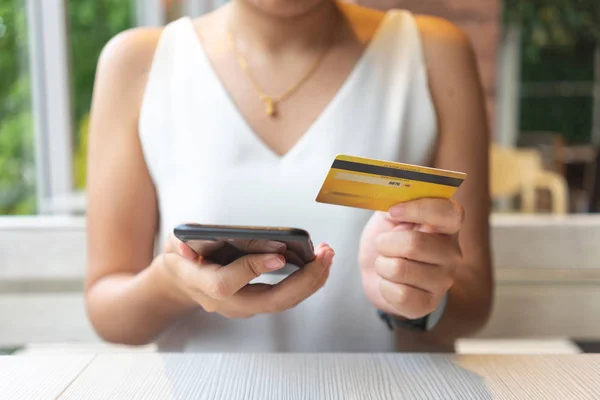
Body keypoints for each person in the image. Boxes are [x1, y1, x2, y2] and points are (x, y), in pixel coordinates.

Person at [85, 0, 492, 352]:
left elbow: (474, 301)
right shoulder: (139, 62)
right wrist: (170, 285)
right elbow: (107, 308)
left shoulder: (433, 52)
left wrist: (415, 296)